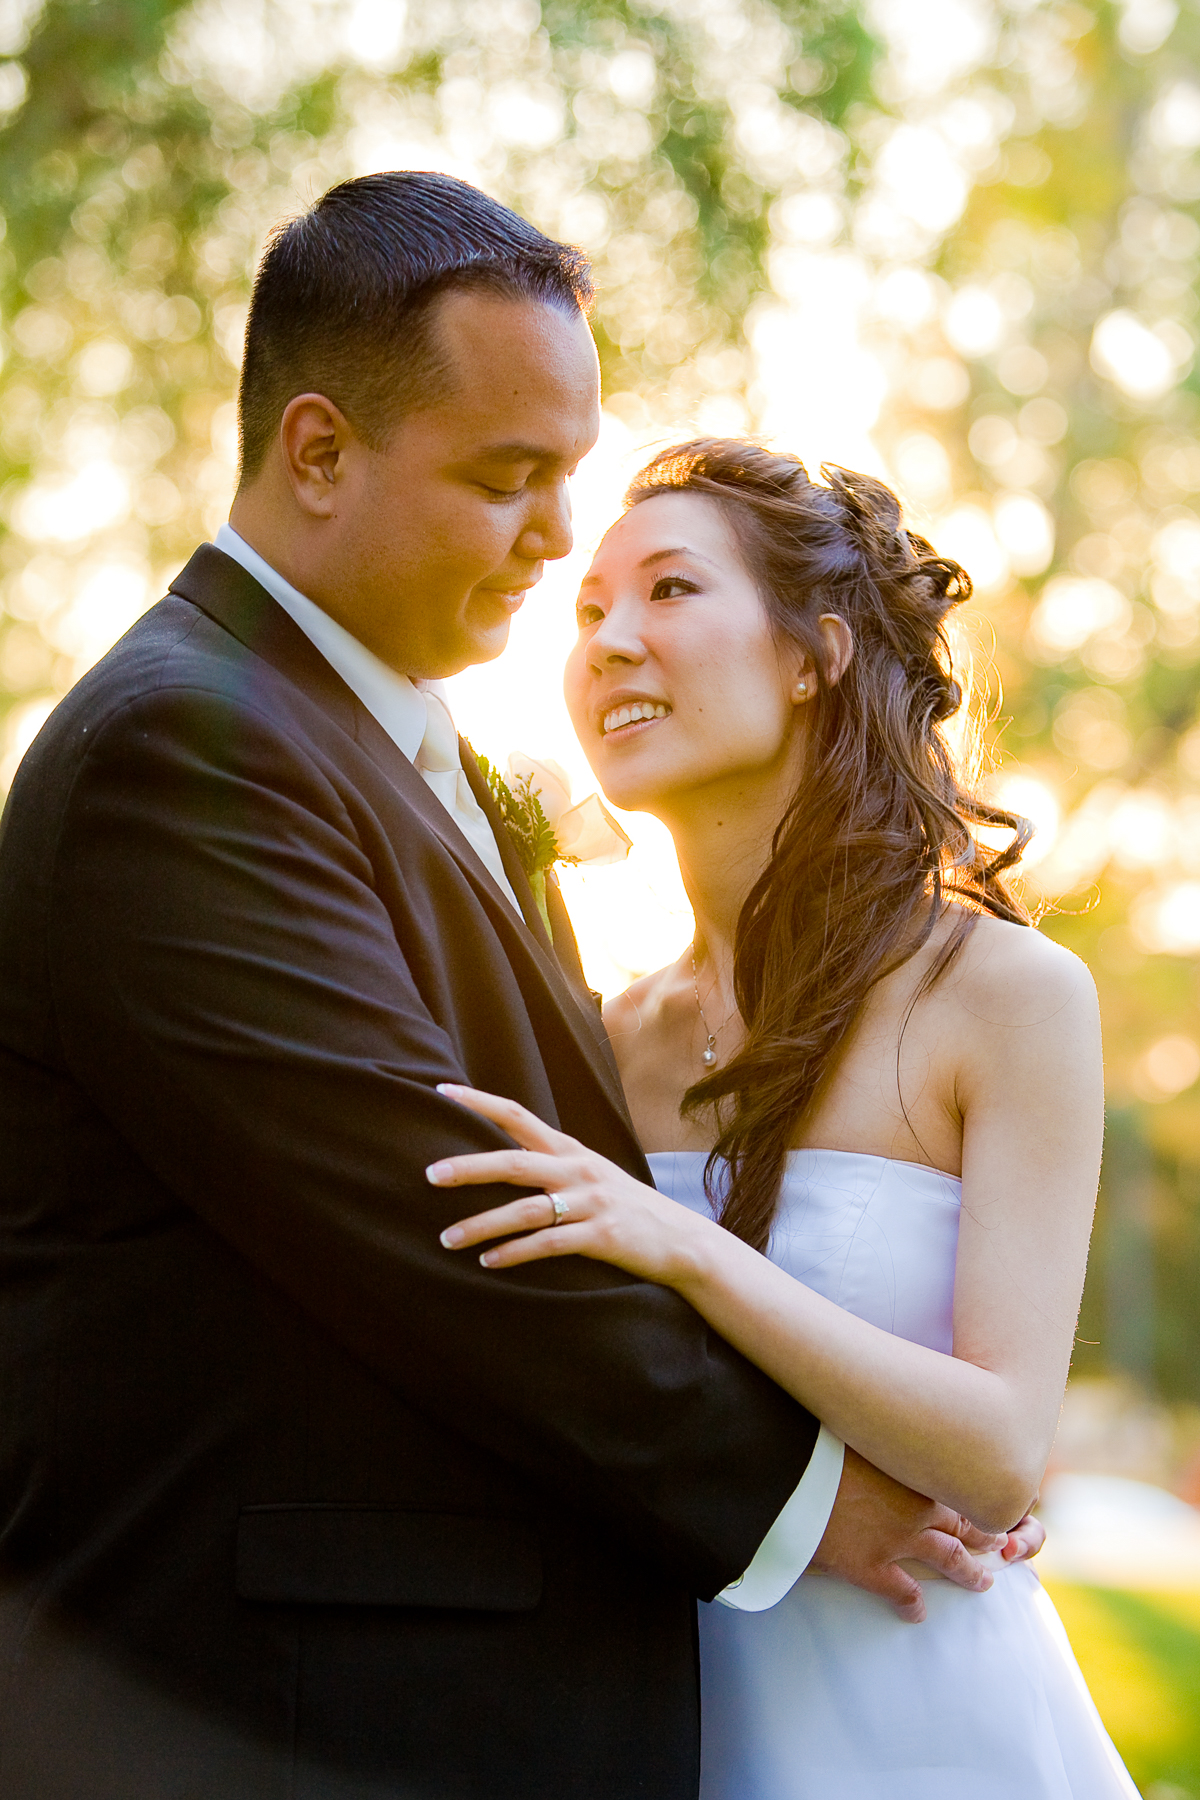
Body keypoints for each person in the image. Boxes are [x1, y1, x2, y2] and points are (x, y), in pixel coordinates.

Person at [0, 180, 1032, 1800]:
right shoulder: (180, 751)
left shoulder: (392, 757)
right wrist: (815, 1498)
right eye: (511, 481)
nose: (561, 547)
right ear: (320, 451)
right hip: (287, 1717)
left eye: (572, 480)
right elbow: (446, 1222)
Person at [432, 439, 1139, 1797]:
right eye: (588, 613)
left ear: (816, 654)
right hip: (670, 1727)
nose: (610, 643)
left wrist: (685, 1245)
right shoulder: (597, 1035)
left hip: (937, 1727)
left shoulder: (1005, 997)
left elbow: (1000, 1452)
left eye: (670, 591)